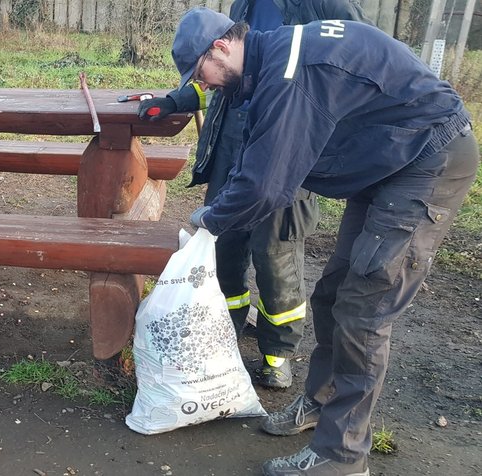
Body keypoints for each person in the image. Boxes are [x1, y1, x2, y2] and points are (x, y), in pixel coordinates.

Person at [172, 7, 477, 476]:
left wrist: (211, 219)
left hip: (426, 159)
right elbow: (257, 154)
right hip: (387, 162)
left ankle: (342, 456)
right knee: (333, 293)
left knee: (364, 309)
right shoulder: (267, 64)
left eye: (202, 73)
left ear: (221, 47)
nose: (205, 84)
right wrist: (220, 203)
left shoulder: (291, 71)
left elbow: (268, 186)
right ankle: (323, 404)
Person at [138, 0, 369, 389]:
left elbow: (349, 72)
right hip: (232, 143)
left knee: (275, 255)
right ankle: (223, 335)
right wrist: (180, 98)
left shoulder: (325, 6)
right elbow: (224, 73)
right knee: (222, 246)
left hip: (289, 147)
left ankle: (276, 354)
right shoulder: (242, 5)